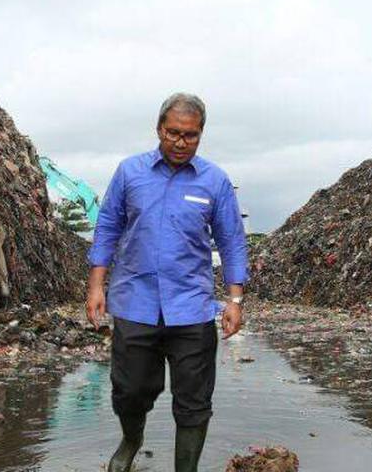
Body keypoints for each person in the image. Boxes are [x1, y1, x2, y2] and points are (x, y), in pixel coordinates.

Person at [85, 92, 249, 472]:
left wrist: (235, 300)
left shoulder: (215, 181)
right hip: (134, 301)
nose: (180, 142)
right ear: (159, 128)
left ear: (201, 134)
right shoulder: (130, 173)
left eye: (190, 135)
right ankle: (131, 439)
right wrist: (96, 287)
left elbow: (232, 241)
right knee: (129, 391)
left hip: (191, 307)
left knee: (194, 399)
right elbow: (107, 228)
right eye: (173, 132)